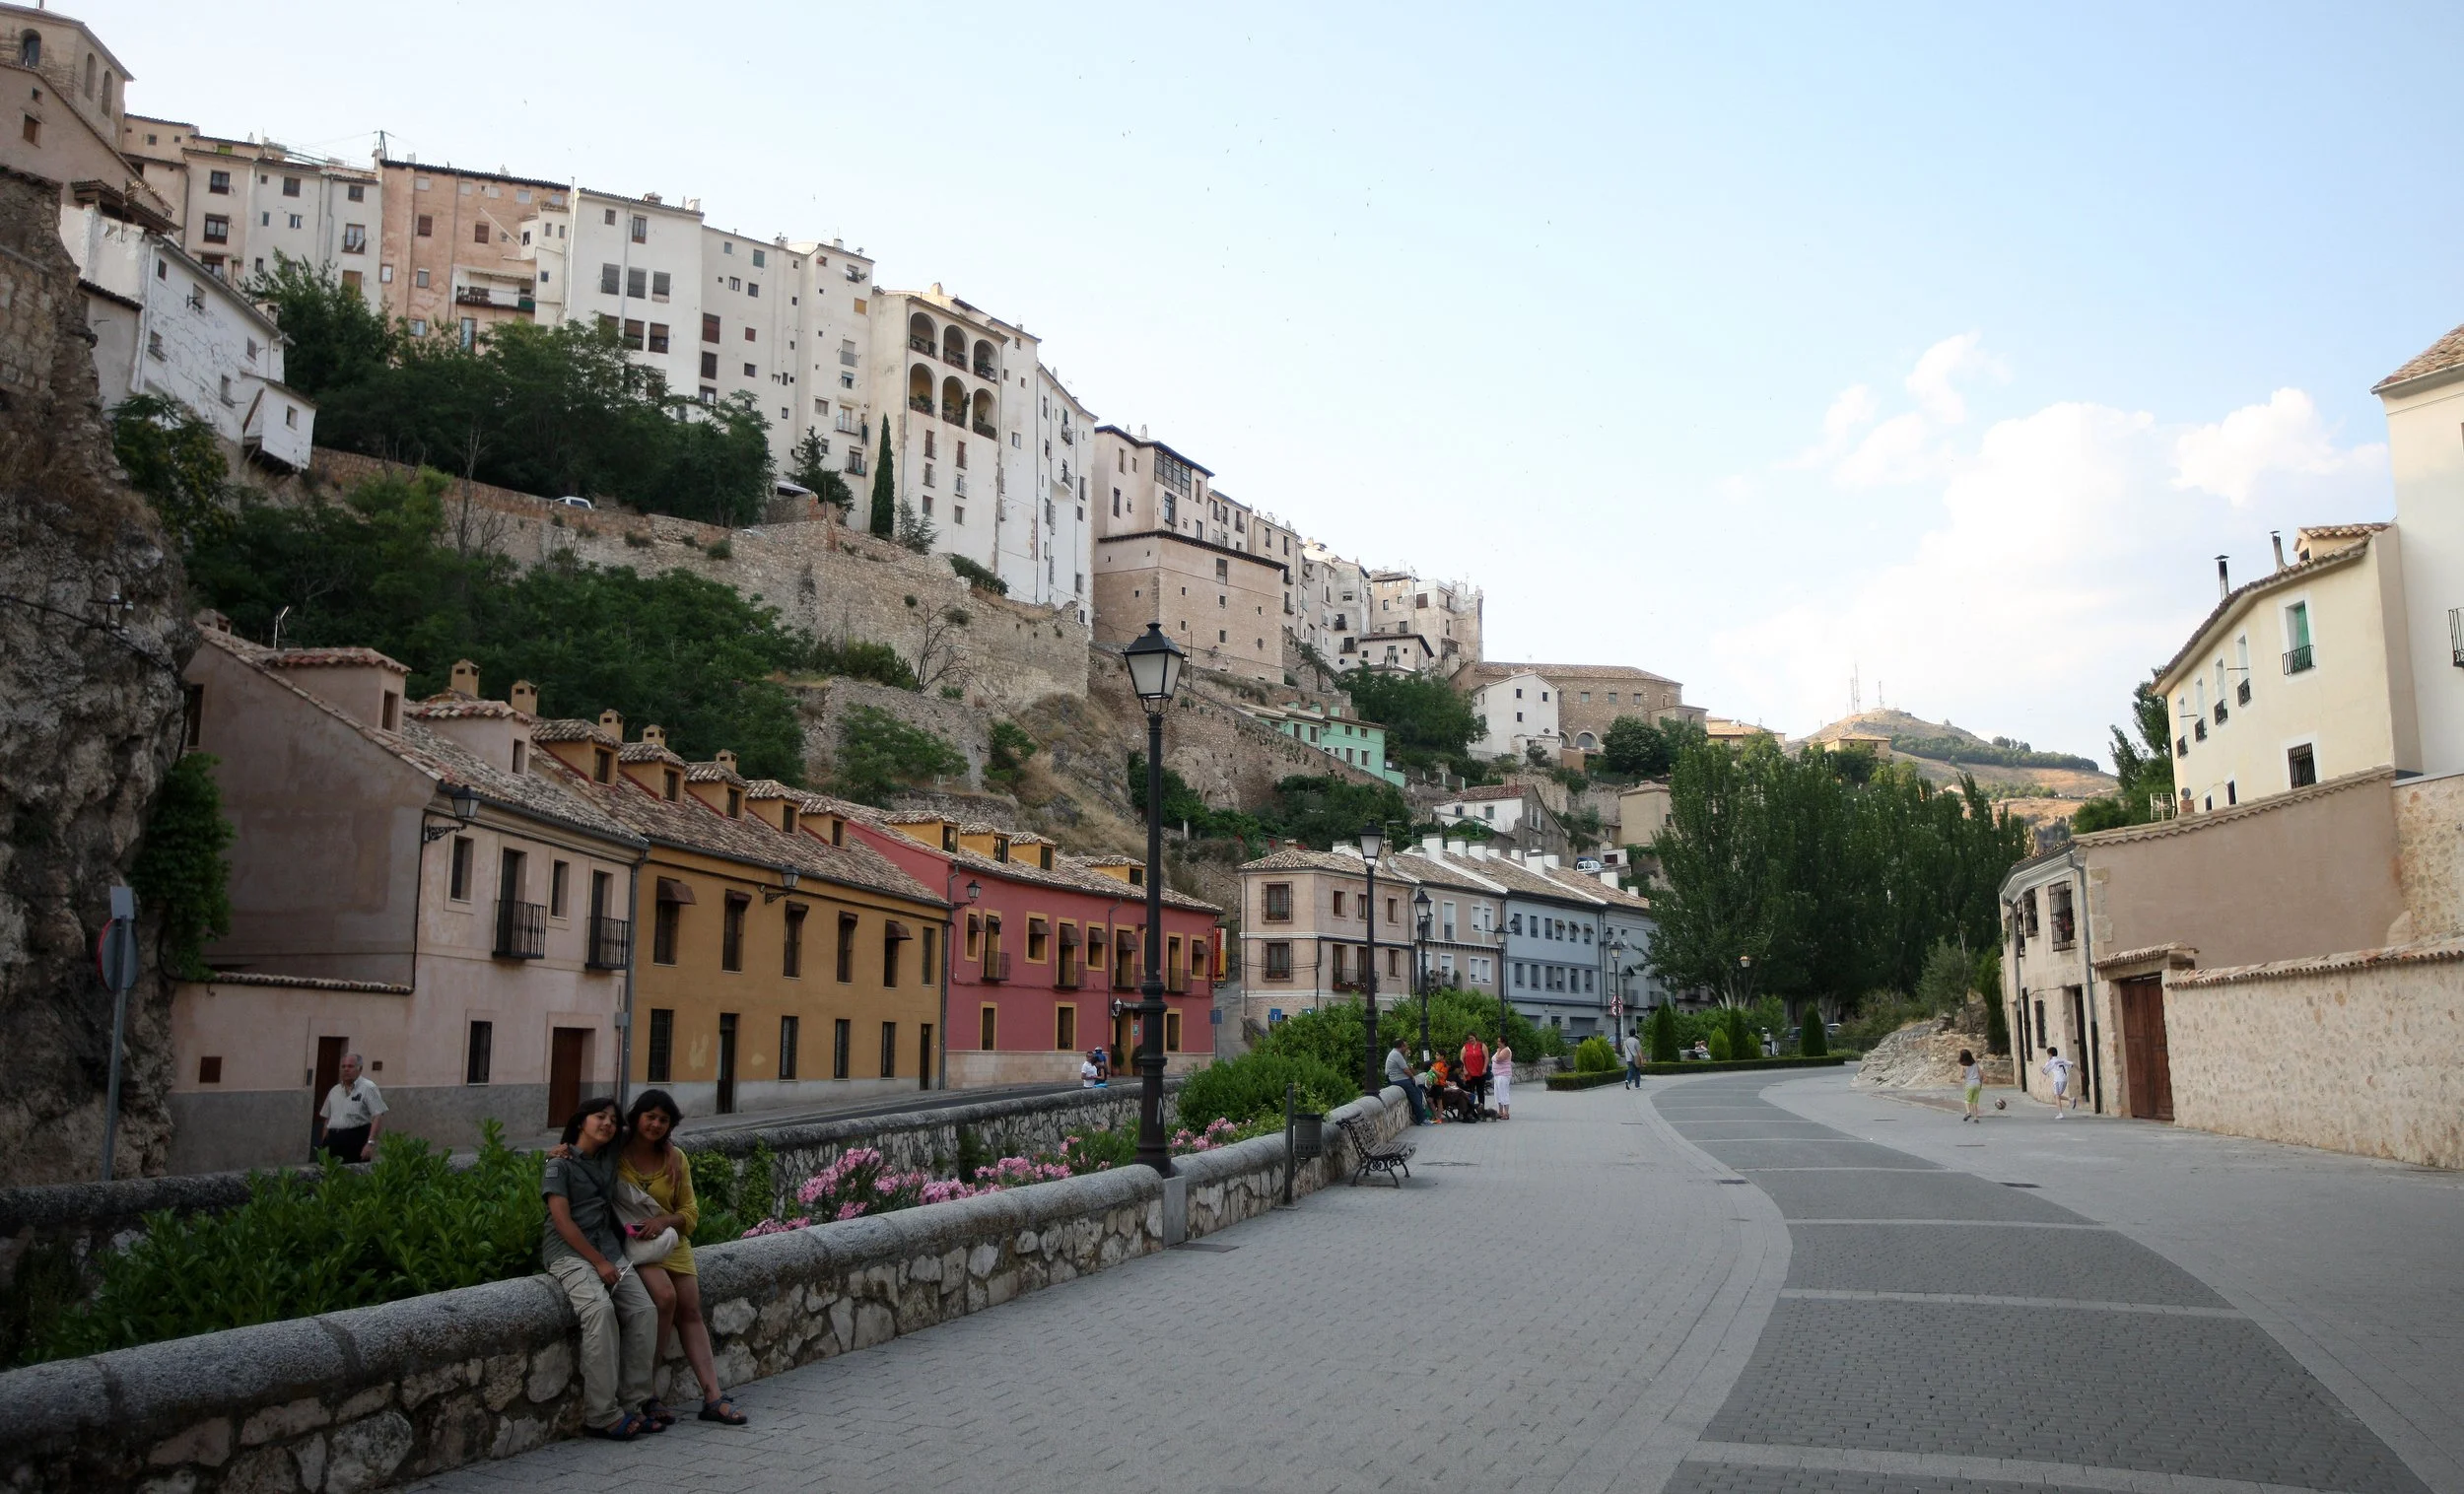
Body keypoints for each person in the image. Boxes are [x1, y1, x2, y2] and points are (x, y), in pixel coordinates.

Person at [543, 1097, 661, 1440]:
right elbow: (562, 1222)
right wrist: (598, 1262)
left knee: (644, 1311)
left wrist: (671, 1156)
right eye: (599, 1117)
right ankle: (602, 1414)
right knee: (599, 1311)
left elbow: (646, 1129)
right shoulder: (558, 1166)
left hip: (608, 1249)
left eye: (612, 1119)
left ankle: (634, 1403)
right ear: (581, 1121)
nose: (608, 1123)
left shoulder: (610, 1155)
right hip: (569, 1253)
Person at [313, 1053, 386, 1164]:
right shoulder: (334, 1090)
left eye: (350, 1066)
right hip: (333, 1140)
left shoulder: (368, 1088)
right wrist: (324, 1144)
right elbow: (327, 1119)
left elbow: (378, 1115)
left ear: (360, 1069)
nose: (346, 1069)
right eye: (343, 1066)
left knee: (353, 1173)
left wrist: (370, 1143)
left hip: (356, 1140)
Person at [1385, 1039, 1425, 1124]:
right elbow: (1406, 1070)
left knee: (1418, 1091)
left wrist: (1406, 1057)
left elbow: (1408, 1067)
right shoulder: (1396, 1054)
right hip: (1399, 1080)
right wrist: (1412, 1077)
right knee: (1415, 1096)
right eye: (1406, 1046)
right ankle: (1421, 1120)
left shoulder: (1396, 1054)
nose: (1407, 1048)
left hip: (1400, 1079)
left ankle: (1418, 1115)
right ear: (1401, 1046)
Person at [1460, 1033, 1489, 1118]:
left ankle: (1481, 1110)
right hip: (1469, 1074)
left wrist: (1485, 1068)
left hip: (1480, 1072)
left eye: (1472, 1038)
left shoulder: (1481, 1045)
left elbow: (1486, 1057)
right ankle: (1471, 1111)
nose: (1471, 1040)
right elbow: (1461, 1058)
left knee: (1480, 1092)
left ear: (1475, 1037)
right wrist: (1464, 1069)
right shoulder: (1465, 1047)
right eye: (1469, 1038)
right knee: (1470, 1093)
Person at [2041, 1046, 2076, 1117]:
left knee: (2057, 1096)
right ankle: (2071, 1099)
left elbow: (2044, 1071)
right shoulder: (2061, 1060)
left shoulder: (2050, 1062)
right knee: (2057, 1095)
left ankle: (2060, 1113)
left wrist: (2043, 1069)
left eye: (2048, 1055)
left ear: (2050, 1054)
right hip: (2065, 1079)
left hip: (2057, 1080)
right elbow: (2072, 1064)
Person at [1490, 1039, 1514, 1120]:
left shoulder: (1506, 1050)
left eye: (1499, 1041)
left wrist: (1498, 1052)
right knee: (1498, 1094)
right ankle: (1500, 1111)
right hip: (1497, 1075)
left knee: (1503, 1093)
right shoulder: (1500, 1050)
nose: (1498, 1043)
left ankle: (1506, 1113)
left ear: (1504, 1042)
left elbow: (1498, 1059)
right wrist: (1498, 1052)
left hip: (1503, 1075)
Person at [1958, 1049, 1984, 1122]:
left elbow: (1961, 1076)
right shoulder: (1975, 1064)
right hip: (1977, 1083)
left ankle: (1968, 1112)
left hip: (1969, 1083)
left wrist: (1964, 1076)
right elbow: (1981, 1074)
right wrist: (1980, 1084)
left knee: (1967, 1100)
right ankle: (1976, 1118)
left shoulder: (1963, 1065)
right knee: (1975, 1101)